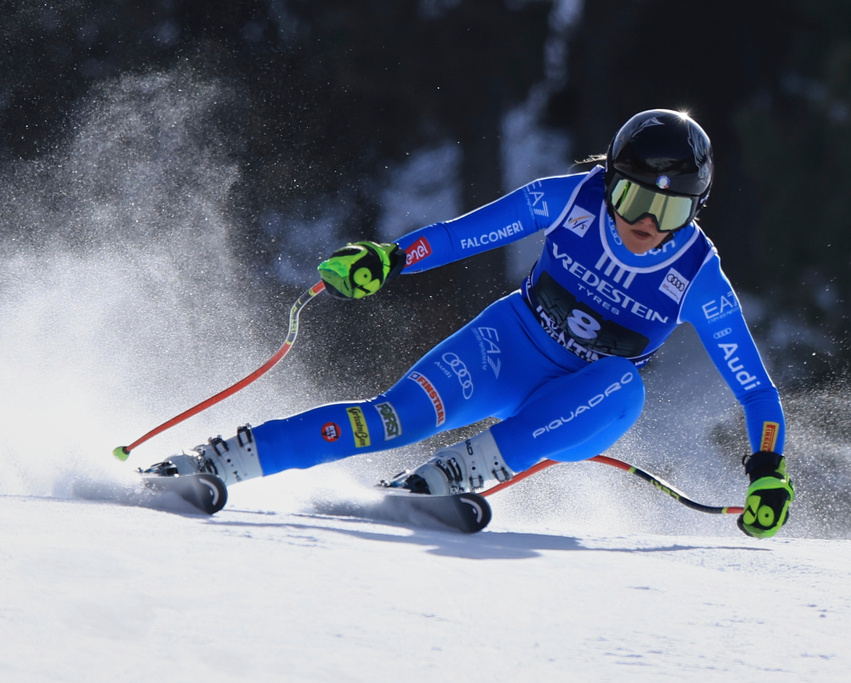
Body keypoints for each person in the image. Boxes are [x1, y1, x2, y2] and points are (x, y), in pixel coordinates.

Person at [150, 109, 794, 538]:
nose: (646, 223)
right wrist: (389, 258)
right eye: (631, 198)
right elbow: (465, 236)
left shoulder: (699, 274)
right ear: (608, 180)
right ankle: (215, 461)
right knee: (388, 420)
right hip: (507, 344)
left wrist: (768, 467)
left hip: (578, 406)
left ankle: (454, 475)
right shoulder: (568, 199)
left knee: (625, 384)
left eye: (669, 210)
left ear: (696, 211)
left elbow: (756, 389)